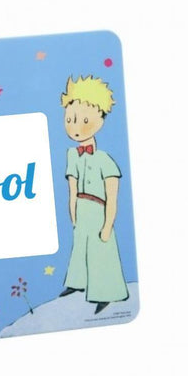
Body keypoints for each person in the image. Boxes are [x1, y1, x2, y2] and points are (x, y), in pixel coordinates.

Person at [59, 75, 129, 314]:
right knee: (80, 247)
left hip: (99, 211)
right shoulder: (72, 155)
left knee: (101, 249)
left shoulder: (105, 160)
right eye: (70, 119)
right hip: (81, 209)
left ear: (101, 118)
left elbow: (112, 196)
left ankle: (106, 292)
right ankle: (77, 282)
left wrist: (108, 224)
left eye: (84, 120)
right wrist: (73, 212)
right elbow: (72, 188)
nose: (75, 126)